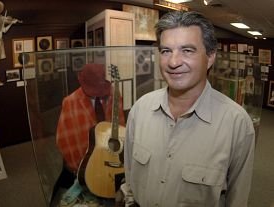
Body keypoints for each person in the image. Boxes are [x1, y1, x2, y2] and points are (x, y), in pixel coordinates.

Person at [124, 11, 255, 207]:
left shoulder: (237, 124)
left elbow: (237, 200)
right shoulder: (140, 110)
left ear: (210, 57)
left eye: (187, 50)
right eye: (166, 51)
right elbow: (130, 181)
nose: (173, 62)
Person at [55, 63, 126, 206]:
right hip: (84, 163)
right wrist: (82, 168)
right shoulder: (71, 102)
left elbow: (121, 129)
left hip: (110, 157)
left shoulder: (114, 94)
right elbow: (64, 140)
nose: (99, 93)